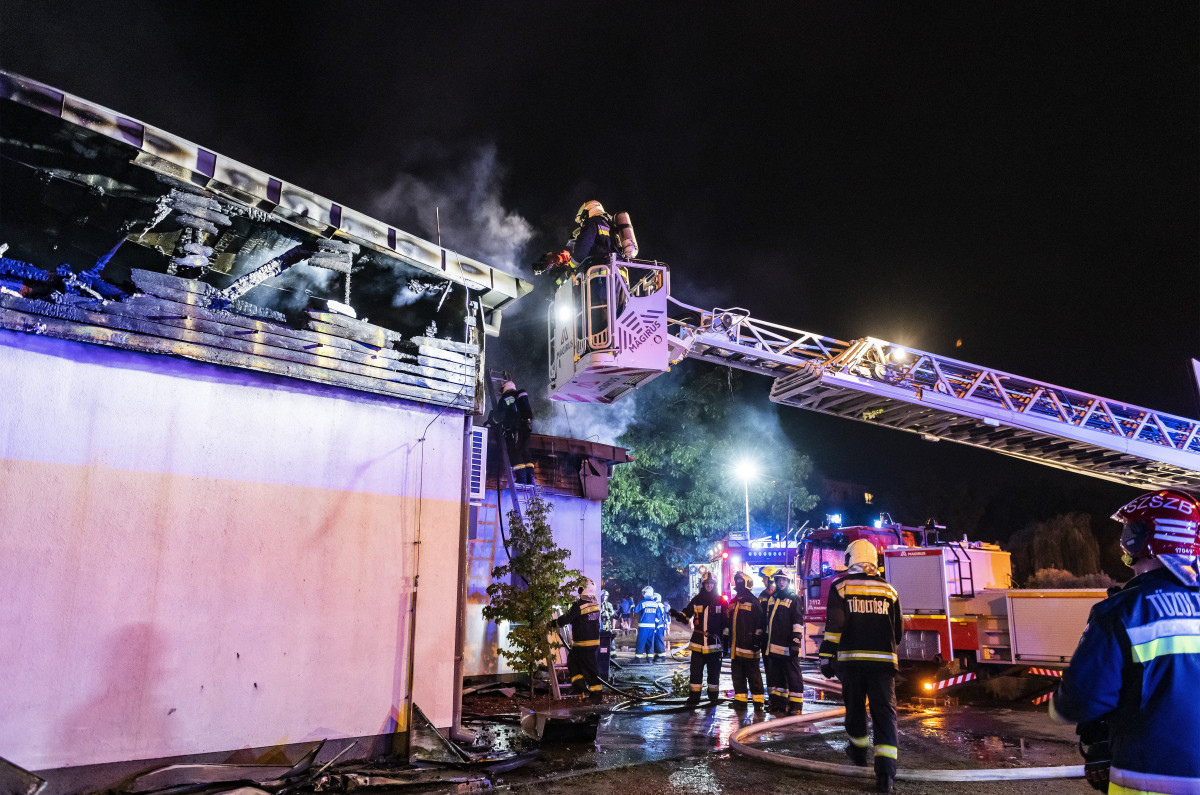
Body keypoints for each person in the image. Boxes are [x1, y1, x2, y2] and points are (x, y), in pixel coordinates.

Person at [1050, 489, 1200, 795]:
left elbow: (1083, 701)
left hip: (1151, 779)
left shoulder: (1121, 612)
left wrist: (1059, 708)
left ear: (1137, 540)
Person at [819, 539, 903, 794]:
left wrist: (826, 656)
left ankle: (858, 754)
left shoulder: (841, 586)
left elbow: (835, 625)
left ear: (851, 559)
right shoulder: (889, 590)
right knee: (885, 716)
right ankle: (885, 776)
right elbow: (897, 631)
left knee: (855, 709)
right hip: (883, 665)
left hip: (853, 663)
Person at [670, 572, 727, 704]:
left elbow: (726, 623)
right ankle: (694, 698)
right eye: (707, 584)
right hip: (698, 643)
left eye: (711, 584)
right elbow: (686, 617)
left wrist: (726, 644)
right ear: (703, 585)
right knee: (695, 673)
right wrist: (677, 615)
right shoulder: (697, 600)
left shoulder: (721, 601)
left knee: (714, 674)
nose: (709, 586)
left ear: (715, 585)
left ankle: (713, 698)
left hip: (714, 644)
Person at [534, 201, 617, 283]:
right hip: (619, 273)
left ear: (587, 213)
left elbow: (581, 249)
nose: (582, 223)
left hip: (600, 275)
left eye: (582, 220)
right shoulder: (611, 226)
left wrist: (570, 268)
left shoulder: (592, 223)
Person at [763, 569, 805, 716]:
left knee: (793, 676)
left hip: (788, 646)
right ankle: (780, 704)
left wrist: (795, 641)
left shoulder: (794, 598)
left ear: (788, 582)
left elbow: (798, 621)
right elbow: (770, 622)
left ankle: (796, 706)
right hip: (774, 646)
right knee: (778, 677)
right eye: (779, 579)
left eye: (784, 580)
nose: (781, 582)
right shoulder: (773, 598)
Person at [555, 580, 604, 703]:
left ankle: (596, 695)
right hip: (588, 643)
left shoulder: (579, 605)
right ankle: (580, 688)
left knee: (589, 670)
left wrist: (554, 623)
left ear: (582, 590)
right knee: (573, 663)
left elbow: (566, 618)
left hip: (583, 643)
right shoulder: (594, 604)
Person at [724, 571, 766, 712]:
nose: (739, 584)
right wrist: (725, 641)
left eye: (741, 581)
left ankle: (758, 702)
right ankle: (740, 702)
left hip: (749, 648)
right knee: (738, 676)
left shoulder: (754, 601)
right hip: (736, 648)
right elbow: (728, 624)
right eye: (737, 581)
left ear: (747, 584)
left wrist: (756, 640)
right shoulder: (733, 601)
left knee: (753, 676)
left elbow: (760, 623)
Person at [488, 380, 534, 484]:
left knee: (515, 452)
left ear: (504, 389)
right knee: (525, 451)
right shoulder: (520, 397)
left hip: (513, 430)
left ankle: (522, 478)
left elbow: (498, 418)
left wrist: (492, 417)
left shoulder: (505, 399)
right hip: (526, 427)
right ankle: (530, 478)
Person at [632, 586, 663, 663]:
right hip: (652, 627)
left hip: (643, 627)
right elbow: (659, 616)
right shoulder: (655, 604)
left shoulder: (643, 603)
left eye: (643, 592)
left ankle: (638, 659)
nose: (642, 594)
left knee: (641, 642)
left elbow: (635, 611)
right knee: (650, 643)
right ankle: (650, 659)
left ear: (646, 593)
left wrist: (631, 604)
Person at [654, 592, 670, 663]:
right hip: (661, 626)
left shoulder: (658, 606)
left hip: (658, 627)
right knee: (657, 641)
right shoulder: (661, 605)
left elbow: (658, 617)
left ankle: (662, 656)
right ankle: (658, 654)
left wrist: (656, 626)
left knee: (659, 641)